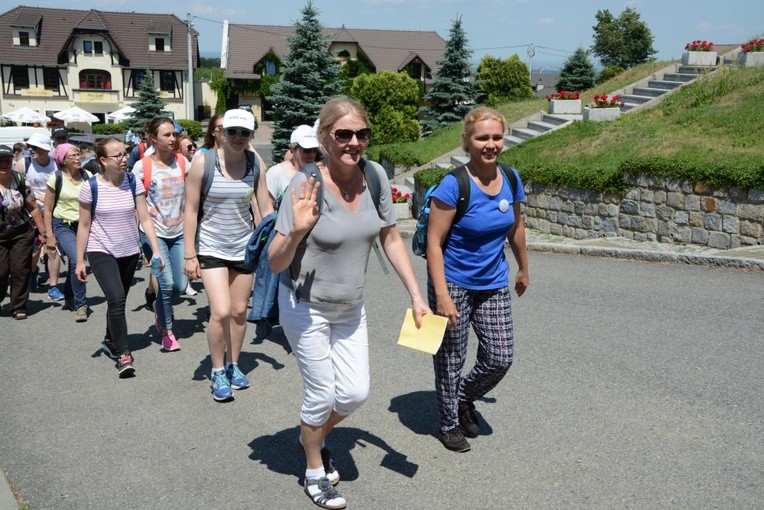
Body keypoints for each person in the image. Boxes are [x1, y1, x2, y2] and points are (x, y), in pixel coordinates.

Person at [268, 97, 430, 509]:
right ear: (325, 138)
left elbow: (390, 236)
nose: (354, 142)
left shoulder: (374, 176)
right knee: (322, 394)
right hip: (306, 305)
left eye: (361, 133)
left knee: (355, 394)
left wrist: (415, 293)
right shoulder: (306, 184)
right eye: (344, 134)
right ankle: (314, 469)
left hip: (350, 306)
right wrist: (297, 230)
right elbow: (274, 262)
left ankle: (311, 432)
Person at [426, 106, 529, 453]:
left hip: (494, 280)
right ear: (467, 142)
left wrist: (523, 267)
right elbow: (434, 244)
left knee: (500, 356)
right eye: (482, 137)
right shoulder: (453, 185)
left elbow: (516, 228)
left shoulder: (511, 179)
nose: (491, 144)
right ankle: (449, 422)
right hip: (453, 281)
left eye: (496, 137)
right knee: (451, 357)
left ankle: (463, 397)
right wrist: (441, 295)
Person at [183, 109, 273, 401]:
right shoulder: (203, 162)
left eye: (244, 133)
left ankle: (234, 364)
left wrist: (276, 240)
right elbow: (191, 210)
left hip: (242, 247)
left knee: (238, 312)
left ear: (250, 136)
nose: (238, 138)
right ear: (221, 132)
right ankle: (218, 370)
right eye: (232, 131)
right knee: (220, 311)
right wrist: (189, 254)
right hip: (210, 247)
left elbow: (265, 207)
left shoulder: (254, 162)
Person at [76, 137, 163, 377]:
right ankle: (124, 354)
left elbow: (145, 218)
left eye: (125, 153)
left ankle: (109, 338)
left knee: (120, 299)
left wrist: (155, 250)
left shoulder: (133, 181)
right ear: (103, 160)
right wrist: (80, 260)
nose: (125, 158)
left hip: (128, 250)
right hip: (100, 249)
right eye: (119, 155)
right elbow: (84, 225)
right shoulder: (90, 186)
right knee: (115, 299)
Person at [132, 117, 188, 352]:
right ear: (153, 138)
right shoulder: (142, 167)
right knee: (165, 284)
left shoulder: (184, 162)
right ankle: (167, 331)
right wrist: (148, 245)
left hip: (180, 231)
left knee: (180, 285)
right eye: (167, 135)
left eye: (174, 134)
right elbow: (139, 206)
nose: (173, 139)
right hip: (153, 232)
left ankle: (158, 306)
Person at [43, 143, 91, 322]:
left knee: (74, 260)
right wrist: (49, 235)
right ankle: (81, 305)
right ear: (63, 160)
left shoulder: (88, 176)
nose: (78, 158)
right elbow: (47, 209)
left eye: (79, 154)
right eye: (73, 155)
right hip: (62, 224)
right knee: (77, 259)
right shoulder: (55, 178)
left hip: (84, 225)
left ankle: (69, 297)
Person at [0, 145, 46, 319]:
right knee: (1, 271)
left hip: (21, 232)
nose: (4, 164)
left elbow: (33, 208)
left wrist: (43, 232)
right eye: (0, 161)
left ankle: (18, 306)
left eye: (7, 160)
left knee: (21, 269)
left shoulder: (19, 180)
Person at [15, 133, 62, 299]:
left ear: (45, 149)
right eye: (29, 147)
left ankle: (53, 286)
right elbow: (15, 188)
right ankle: (33, 271)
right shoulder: (24, 163)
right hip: (31, 214)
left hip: (52, 212)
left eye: (34, 147)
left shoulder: (57, 165)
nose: (30, 150)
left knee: (52, 248)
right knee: (34, 253)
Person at [266, 124, 319, 202]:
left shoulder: (318, 173)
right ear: (293, 149)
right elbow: (267, 209)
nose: (311, 154)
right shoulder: (276, 173)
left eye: (315, 149)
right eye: (307, 149)